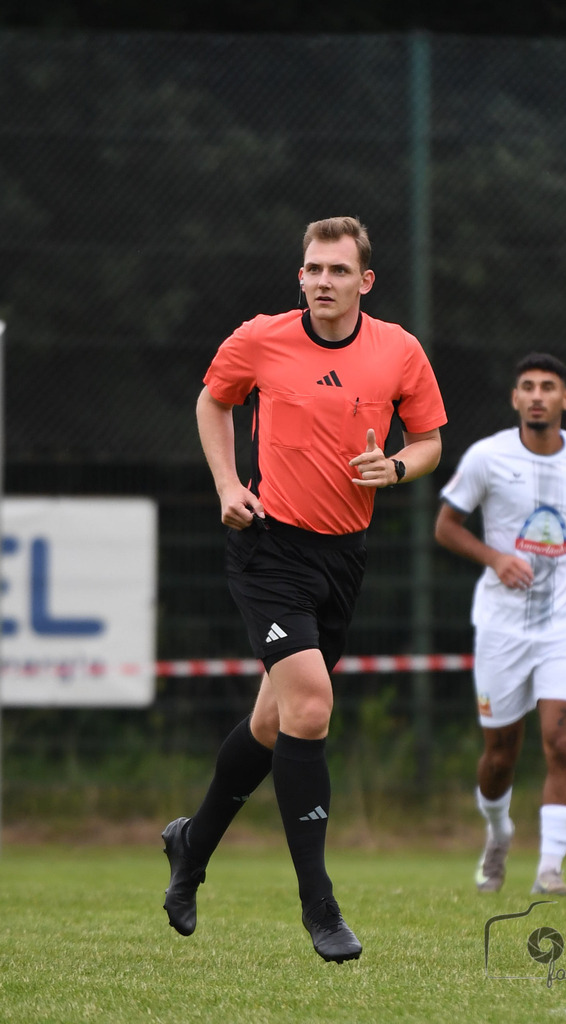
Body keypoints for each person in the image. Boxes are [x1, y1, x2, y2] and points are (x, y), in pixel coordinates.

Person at [161, 216, 447, 963]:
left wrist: (398, 468)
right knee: (311, 706)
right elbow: (212, 400)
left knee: (270, 724)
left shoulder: (399, 351)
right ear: (301, 276)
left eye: (337, 271)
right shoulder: (260, 337)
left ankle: (190, 846)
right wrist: (227, 484)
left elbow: (428, 442)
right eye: (313, 269)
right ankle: (319, 907)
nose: (323, 281)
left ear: (364, 281)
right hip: (268, 546)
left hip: (342, 557)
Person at [434, 353, 566, 896]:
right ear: (515, 399)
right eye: (527, 387)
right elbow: (446, 526)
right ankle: (498, 832)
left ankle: (549, 871)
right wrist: (495, 559)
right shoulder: (487, 457)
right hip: (502, 629)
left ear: (565, 399)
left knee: (562, 745)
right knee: (500, 756)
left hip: (565, 627)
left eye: (548, 387)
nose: (537, 395)